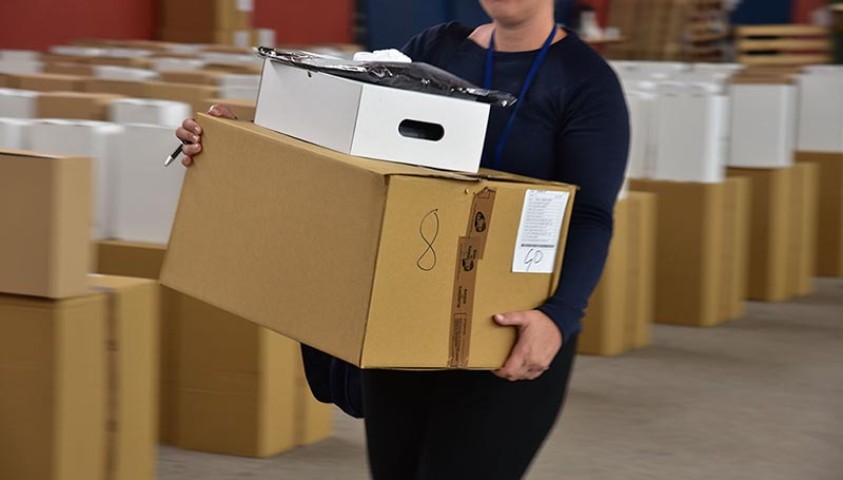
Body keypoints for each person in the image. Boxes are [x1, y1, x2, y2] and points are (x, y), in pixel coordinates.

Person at [176, 0, 628, 477]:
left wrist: (557, 317)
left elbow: (592, 216)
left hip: (509, 327)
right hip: (407, 309)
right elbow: (353, 144)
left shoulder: (585, 82)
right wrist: (235, 140)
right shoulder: (437, 50)